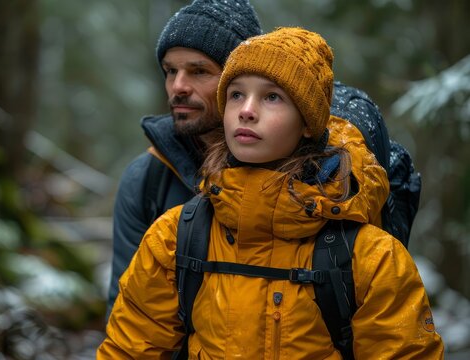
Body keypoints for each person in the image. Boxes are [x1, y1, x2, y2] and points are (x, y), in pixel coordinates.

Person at [98, 27, 444, 359]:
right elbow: (127, 350)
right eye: (236, 94)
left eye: (272, 97)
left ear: (308, 123)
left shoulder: (370, 257)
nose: (247, 110)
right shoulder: (175, 238)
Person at [108, 0, 262, 312]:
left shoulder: (300, 170)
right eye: (170, 71)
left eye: (198, 71)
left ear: (241, 82)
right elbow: (130, 312)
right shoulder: (146, 179)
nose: (178, 86)